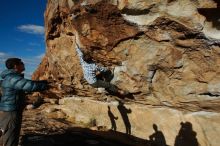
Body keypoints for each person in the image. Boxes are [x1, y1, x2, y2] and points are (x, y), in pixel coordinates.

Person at [0, 58, 49, 146]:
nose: (23, 64)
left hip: (11, 110)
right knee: (10, 136)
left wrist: (43, 82)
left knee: (11, 133)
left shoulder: (11, 77)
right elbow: (29, 85)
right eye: (21, 63)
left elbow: (27, 83)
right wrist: (47, 85)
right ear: (16, 66)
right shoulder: (12, 77)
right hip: (11, 112)